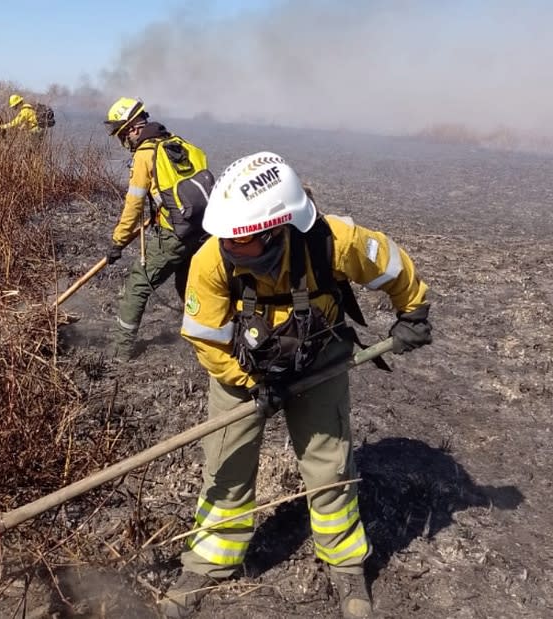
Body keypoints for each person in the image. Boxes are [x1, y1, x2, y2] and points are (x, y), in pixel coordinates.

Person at [161, 152, 433, 618]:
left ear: (276, 230)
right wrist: (249, 383)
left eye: (241, 242)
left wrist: (413, 311)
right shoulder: (212, 260)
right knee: (225, 463)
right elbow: (205, 339)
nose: (229, 247)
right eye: (225, 239)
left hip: (318, 359)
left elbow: (389, 262)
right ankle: (209, 560)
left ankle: (345, 563)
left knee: (329, 463)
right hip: (240, 366)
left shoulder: (334, 242)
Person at [103, 97, 212, 360]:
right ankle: (206, 335)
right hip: (203, 230)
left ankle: (121, 349)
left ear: (133, 128)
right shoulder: (179, 143)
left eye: (122, 135)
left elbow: (133, 205)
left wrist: (118, 242)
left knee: (139, 283)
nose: (123, 142)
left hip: (174, 234)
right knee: (188, 283)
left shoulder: (145, 154)